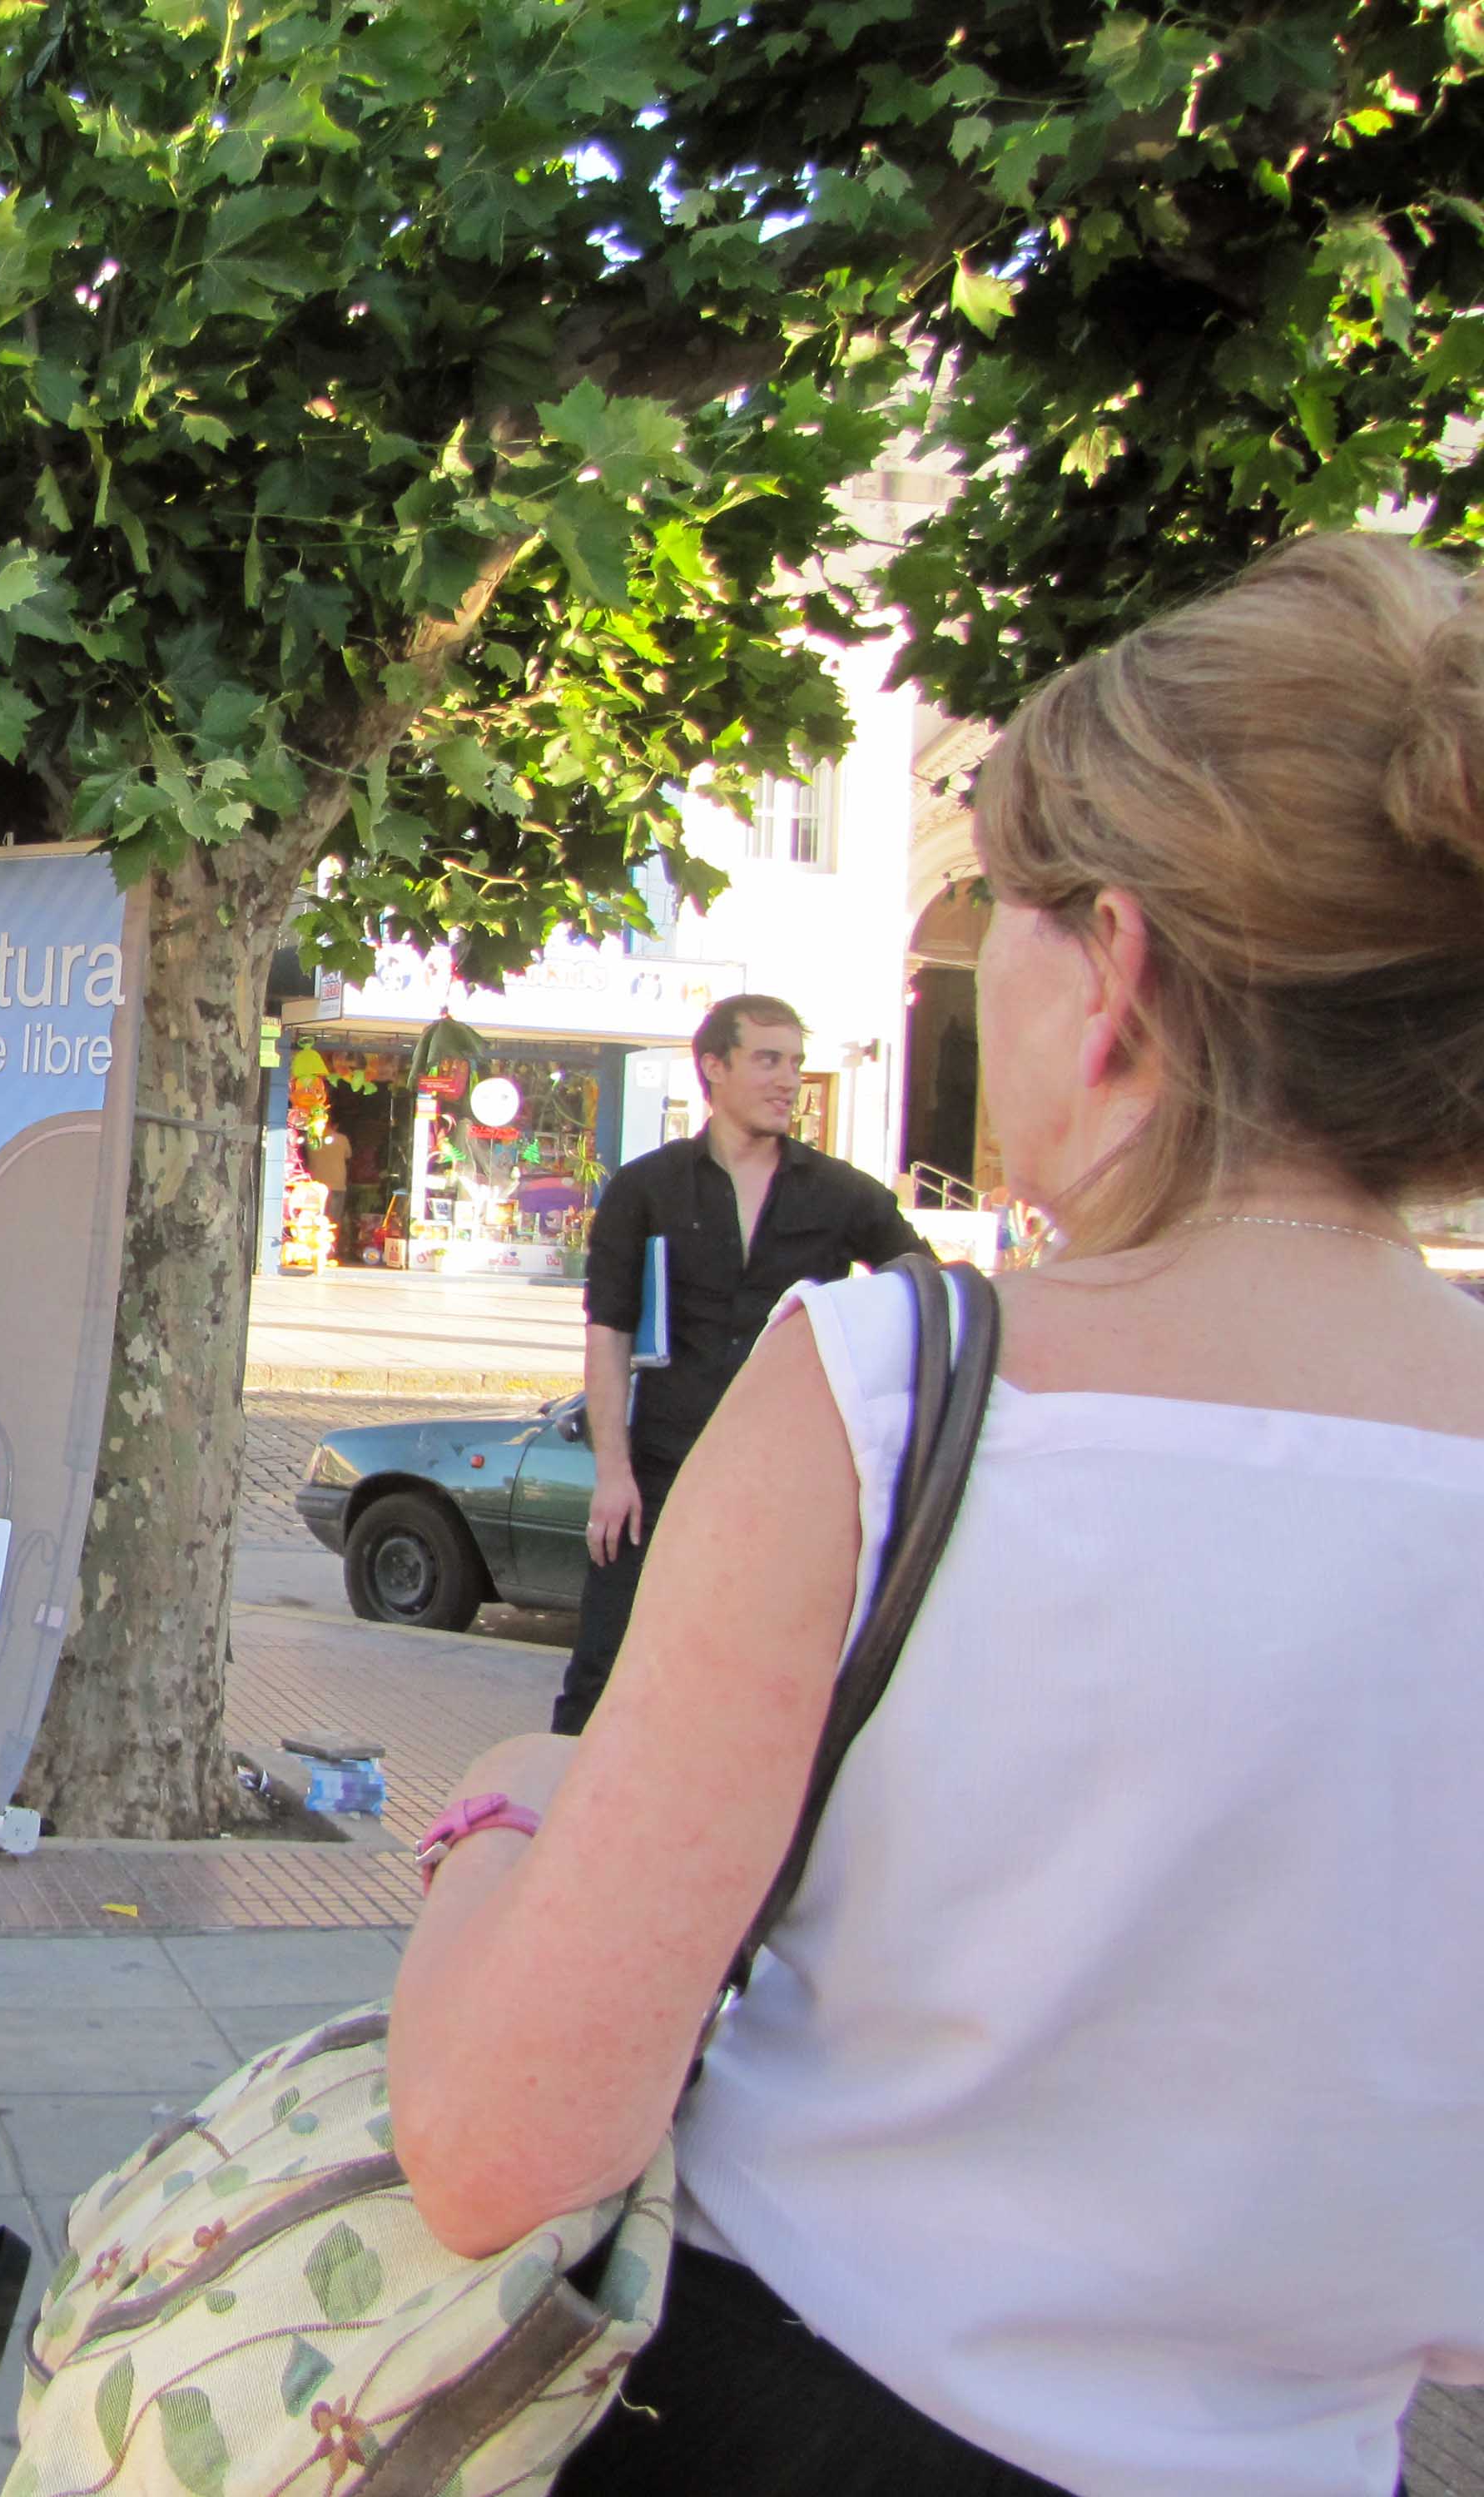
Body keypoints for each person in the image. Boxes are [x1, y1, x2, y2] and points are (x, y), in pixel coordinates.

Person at [389, 534, 1484, 2495]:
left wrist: (493, 1809)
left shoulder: (886, 1385)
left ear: (1118, 965)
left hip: (803, 2412)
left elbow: (497, 2137)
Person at [558, 995, 922, 1734]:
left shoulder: (841, 1194)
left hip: (786, 1482)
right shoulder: (646, 1189)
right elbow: (608, 1334)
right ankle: (561, 1829)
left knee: (761, 1687)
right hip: (660, 1473)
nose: (788, 1079)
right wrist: (613, 1474)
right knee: (603, 1673)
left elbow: (927, 1295)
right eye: (767, 1060)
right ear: (713, 1069)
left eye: (794, 1061)